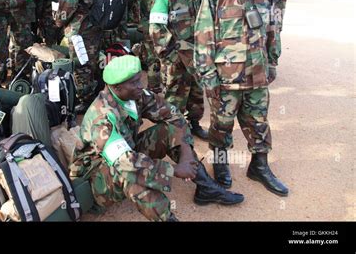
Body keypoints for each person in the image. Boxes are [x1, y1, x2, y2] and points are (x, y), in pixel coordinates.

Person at [70, 55, 244, 221]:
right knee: (133, 175)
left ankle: (205, 187)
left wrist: (185, 152)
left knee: (168, 130)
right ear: (117, 88)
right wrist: (174, 170)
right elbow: (126, 163)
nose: (141, 85)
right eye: (135, 82)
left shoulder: (134, 95)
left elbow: (174, 116)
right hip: (95, 178)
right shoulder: (102, 119)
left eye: (140, 79)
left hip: (127, 151)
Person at [194, 0, 288, 196]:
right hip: (226, 76)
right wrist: (208, 75)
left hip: (257, 73)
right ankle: (221, 166)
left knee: (258, 121)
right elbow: (203, 35)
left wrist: (272, 62)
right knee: (222, 125)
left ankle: (259, 166)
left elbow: (273, 26)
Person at [149, 0, 208, 140]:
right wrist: (172, 56)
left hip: (195, 56)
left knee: (196, 95)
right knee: (175, 97)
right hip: (176, 57)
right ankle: (173, 133)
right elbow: (156, 27)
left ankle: (195, 124)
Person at [55, 0, 98, 113]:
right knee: (90, 62)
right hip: (91, 25)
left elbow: (68, 3)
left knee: (80, 64)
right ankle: (93, 96)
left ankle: (86, 101)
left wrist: (58, 21)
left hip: (78, 28)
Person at [138, 0, 172, 92]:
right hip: (166, 25)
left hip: (147, 25)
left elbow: (138, 6)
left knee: (151, 59)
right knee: (167, 58)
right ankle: (168, 89)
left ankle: (153, 89)